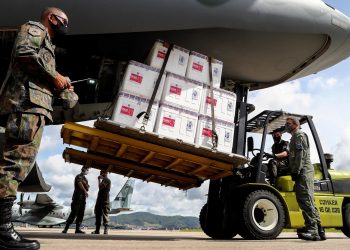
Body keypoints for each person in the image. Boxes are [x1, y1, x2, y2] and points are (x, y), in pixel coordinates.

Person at [0, 7, 71, 250]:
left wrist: (61, 86)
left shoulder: (47, 42)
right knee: (14, 165)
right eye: (63, 21)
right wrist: (55, 76)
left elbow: (38, 71)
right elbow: (24, 52)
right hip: (25, 107)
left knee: (18, 166)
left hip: (34, 108)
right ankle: (1, 233)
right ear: (51, 18)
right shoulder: (36, 29)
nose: (65, 25)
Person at [285, 117, 326, 241]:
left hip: (303, 171)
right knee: (309, 200)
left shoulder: (299, 135)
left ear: (296, 124)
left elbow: (300, 155)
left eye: (288, 124)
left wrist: (296, 171)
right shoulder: (294, 137)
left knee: (305, 200)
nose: (286, 126)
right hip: (303, 171)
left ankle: (312, 231)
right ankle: (319, 229)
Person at [62, 166, 90, 234]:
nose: (88, 171)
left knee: (81, 214)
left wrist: (86, 188)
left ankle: (77, 229)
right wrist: (85, 191)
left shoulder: (85, 179)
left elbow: (88, 187)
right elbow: (80, 184)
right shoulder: (79, 176)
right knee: (73, 213)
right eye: (87, 170)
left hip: (83, 199)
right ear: (83, 170)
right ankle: (65, 229)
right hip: (77, 198)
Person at [91, 170, 111, 235]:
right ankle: (97, 230)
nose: (101, 174)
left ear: (105, 173)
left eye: (102, 173)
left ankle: (106, 230)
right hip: (99, 200)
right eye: (101, 173)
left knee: (105, 215)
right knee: (98, 215)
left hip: (105, 201)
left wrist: (99, 180)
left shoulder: (107, 180)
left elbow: (100, 187)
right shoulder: (103, 180)